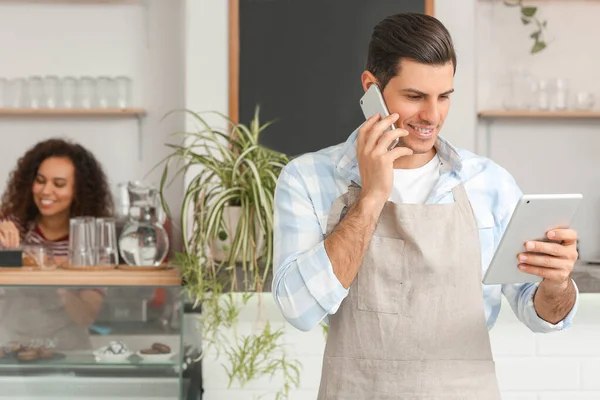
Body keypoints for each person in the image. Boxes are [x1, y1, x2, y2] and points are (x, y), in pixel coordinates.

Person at [271, 13, 579, 400]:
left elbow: (543, 315)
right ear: (372, 88)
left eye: (444, 96)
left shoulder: (489, 184)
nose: (432, 116)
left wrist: (558, 283)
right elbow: (298, 309)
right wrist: (370, 198)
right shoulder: (308, 179)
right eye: (415, 97)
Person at [0, 138, 114, 351]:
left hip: (69, 352)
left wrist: (57, 277)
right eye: (40, 180)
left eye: (59, 184)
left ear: (79, 191)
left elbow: (86, 317)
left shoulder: (90, 242)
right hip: (10, 350)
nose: (45, 191)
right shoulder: (14, 225)